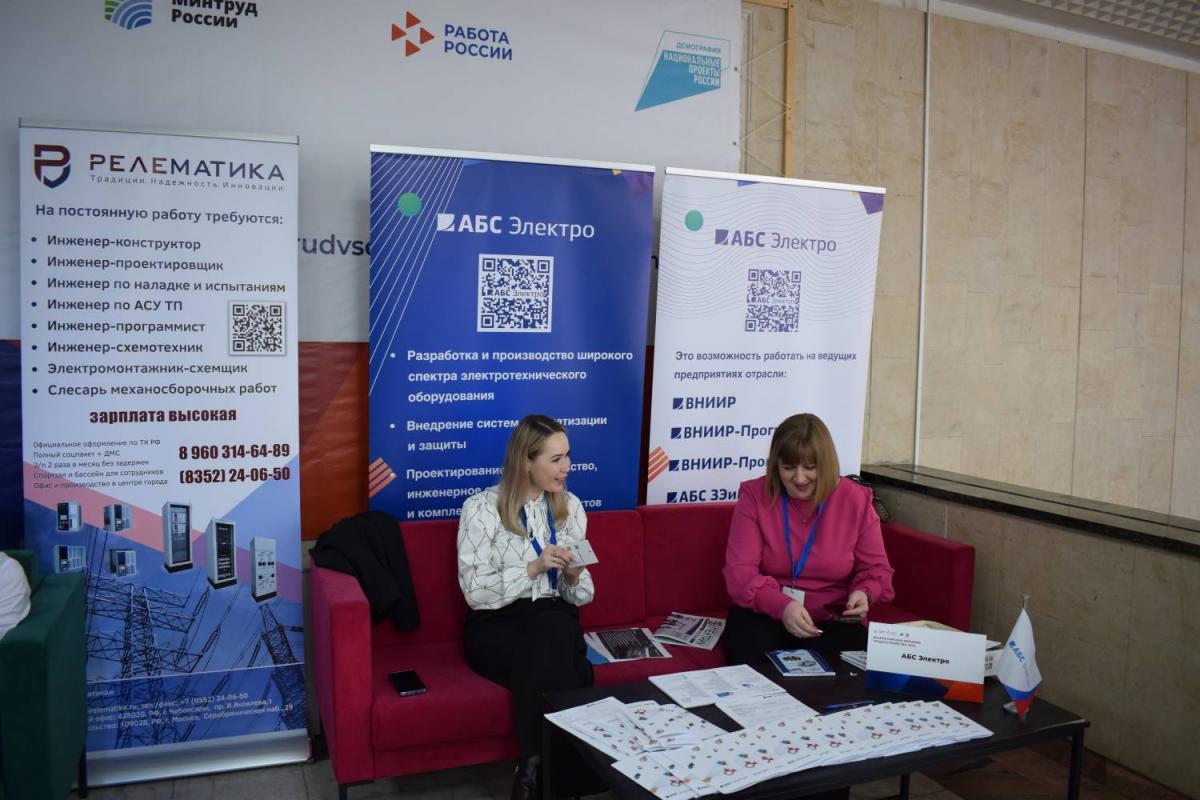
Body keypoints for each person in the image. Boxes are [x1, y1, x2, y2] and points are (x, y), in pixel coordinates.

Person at [457, 414, 595, 800]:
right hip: (496, 622)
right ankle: (564, 781)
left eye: (568, 456)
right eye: (556, 459)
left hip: (553, 615)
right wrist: (532, 568)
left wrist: (572, 577)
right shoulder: (480, 509)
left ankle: (533, 767)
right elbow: (474, 592)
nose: (567, 467)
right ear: (526, 462)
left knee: (552, 629)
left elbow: (583, 595)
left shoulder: (571, 508)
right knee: (567, 662)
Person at [723, 412, 894, 665]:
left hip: (831, 618)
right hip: (768, 611)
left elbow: (876, 570)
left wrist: (864, 593)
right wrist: (783, 607)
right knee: (746, 652)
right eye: (788, 468)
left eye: (810, 467)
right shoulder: (754, 495)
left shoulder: (856, 500)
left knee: (844, 666)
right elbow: (740, 574)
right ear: (775, 466)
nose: (799, 478)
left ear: (826, 464)